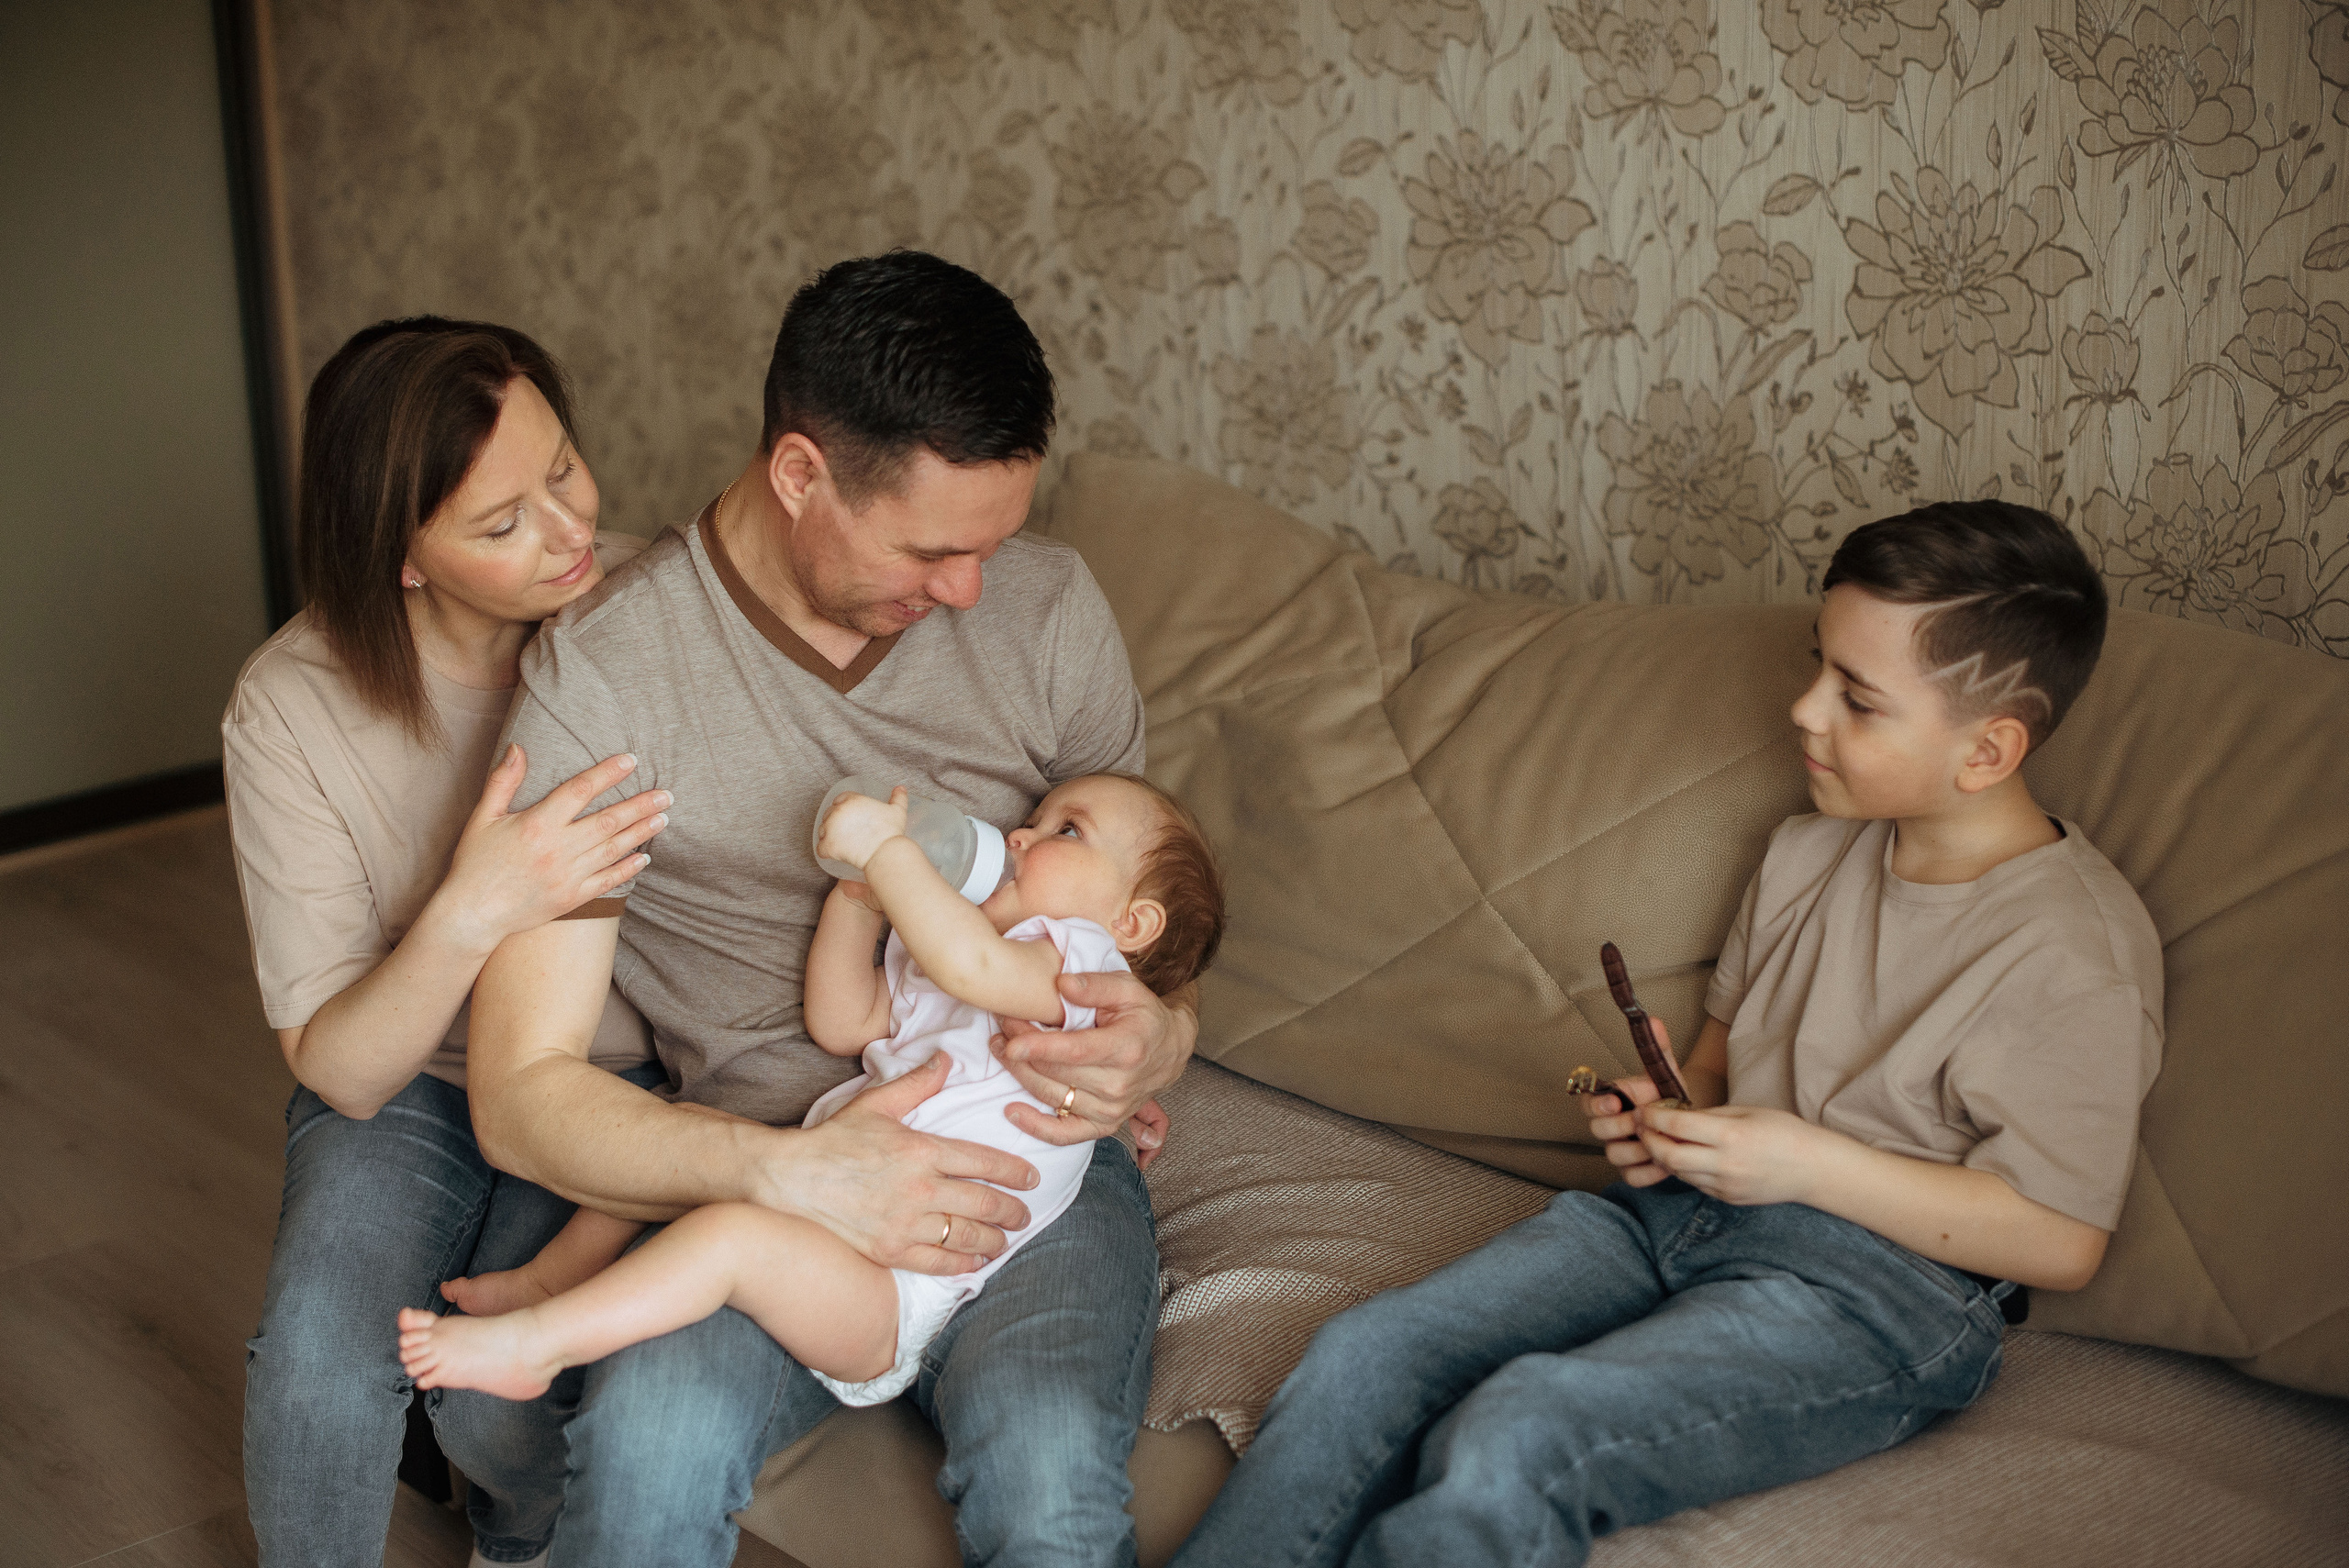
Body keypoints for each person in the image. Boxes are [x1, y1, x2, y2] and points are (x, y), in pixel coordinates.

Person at [1169, 501, 2165, 1568]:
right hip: (1672, 1216)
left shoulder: (2073, 954)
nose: (1804, 710)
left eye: (1857, 699)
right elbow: (1710, 1069)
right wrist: (1666, 1120)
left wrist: (1802, 1162)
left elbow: (2061, 1238)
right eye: (1815, 666)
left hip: (1880, 1291)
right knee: (1367, 1353)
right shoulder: (1805, 853)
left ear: (1988, 750)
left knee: (1518, 1429)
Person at [459, 250, 1200, 1567]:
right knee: (646, 1452)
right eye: (934, 548)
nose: (975, 587)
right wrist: (793, 1171)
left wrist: (1162, 1039)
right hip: (774, 1163)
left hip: (1039, 1167)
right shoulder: (612, 682)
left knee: (1047, 1479)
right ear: (801, 474)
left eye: (996, 539)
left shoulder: (1050, 611)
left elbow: (1146, 930)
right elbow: (518, 1088)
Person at [224, 317, 673, 1566]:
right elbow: (346, 1070)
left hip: (613, 1074)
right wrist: (477, 902)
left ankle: (519, 1535)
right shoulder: (292, 704)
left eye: (565, 471)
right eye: (501, 523)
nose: (571, 530)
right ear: (402, 558)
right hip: (409, 1079)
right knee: (318, 1354)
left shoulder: (653, 609)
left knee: (491, 1401)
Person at [396, 773, 1223, 1408]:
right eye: (1036, 815)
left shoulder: (1082, 967)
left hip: (893, 1287)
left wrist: (891, 856)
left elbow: (973, 964)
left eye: (1064, 831)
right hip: (839, 1180)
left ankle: (540, 1346)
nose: (1019, 831)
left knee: (729, 1242)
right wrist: (857, 902)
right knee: (679, 1130)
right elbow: (842, 1019)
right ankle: (552, 1276)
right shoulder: (974, 952)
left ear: (1133, 925)